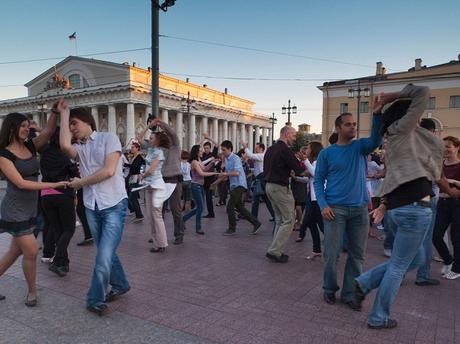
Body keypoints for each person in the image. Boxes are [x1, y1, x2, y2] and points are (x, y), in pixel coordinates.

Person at [351, 85, 445, 329]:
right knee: (399, 267)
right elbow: (422, 91)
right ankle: (378, 316)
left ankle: (364, 282)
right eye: (417, 115)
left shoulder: (393, 140)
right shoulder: (402, 129)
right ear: (407, 115)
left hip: (400, 208)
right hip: (415, 209)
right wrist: (393, 97)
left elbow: (394, 176)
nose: (420, 118)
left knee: (416, 260)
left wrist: (383, 205)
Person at [59, 101, 130, 316]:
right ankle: (121, 284)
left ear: (88, 121)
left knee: (104, 255)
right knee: (104, 253)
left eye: (74, 123)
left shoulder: (109, 138)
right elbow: (64, 145)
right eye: (69, 126)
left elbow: (109, 171)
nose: (72, 128)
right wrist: (64, 115)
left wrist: (81, 183)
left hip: (114, 205)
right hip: (92, 206)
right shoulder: (80, 149)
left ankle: (94, 299)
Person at [314, 105, 382, 307]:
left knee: (357, 256)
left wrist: (377, 115)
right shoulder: (327, 154)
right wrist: (323, 205)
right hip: (335, 210)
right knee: (331, 254)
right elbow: (318, 180)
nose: (353, 127)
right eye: (348, 124)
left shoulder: (360, 147)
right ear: (338, 128)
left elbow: (376, 140)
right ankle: (329, 288)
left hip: (360, 210)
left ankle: (350, 294)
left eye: (354, 124)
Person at [0, 109, 67, 306]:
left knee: (15, 252)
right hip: (15, 209)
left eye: (28, 125)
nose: (27, 129)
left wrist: (55, 112)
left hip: (30, 207)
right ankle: (32, 292)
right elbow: (21, 183)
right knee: (31, 250)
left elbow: (46, 132)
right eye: (23, 126)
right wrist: (53, 185)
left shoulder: (29, 145)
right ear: (11, 128)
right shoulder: (4, 155)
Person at [137, 117, 185, 245]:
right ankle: (158, 236)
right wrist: (148, 126)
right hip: (161, 181)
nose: (166, 136)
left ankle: (179, 235)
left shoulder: (174, 144)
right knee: (158, 210)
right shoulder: (155, 148)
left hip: (175, 180)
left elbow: (173, 133)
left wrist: (160, 123)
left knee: (176, 209)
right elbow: (139, 139)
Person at [39, 127, 79, 277]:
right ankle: (57, 261)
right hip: (62, 193)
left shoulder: (44, 151)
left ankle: (64, 263)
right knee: (69, 229)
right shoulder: (65, 155)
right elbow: (74, 174)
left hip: (45, 194)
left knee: (58, 230)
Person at [264, 126, 305, 262]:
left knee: (280, 220)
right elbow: (299, 169)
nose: (294, 139)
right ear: (287, 134)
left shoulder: (270, 149)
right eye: (293, 136)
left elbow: (269, 168)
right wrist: (303, 162)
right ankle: (275, 251)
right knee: (289, 220)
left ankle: (275, 249)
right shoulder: (285, 150)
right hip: (280, 187)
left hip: (269, 186)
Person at [217, 140, 261, 236]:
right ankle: (256, 223)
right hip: (234, 185)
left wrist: (225, 174)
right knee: (239, 207)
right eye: (222, 150)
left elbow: (237, 173)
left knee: (230, 207)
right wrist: (215, 183)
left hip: (239, 185)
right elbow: (226, 175)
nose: (222, 152)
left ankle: (232, 228)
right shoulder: (228, 159)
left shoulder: (235, 158)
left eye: (224, 150)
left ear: (229, 149)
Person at [141, 131, 175, 252]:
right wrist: (148, 126)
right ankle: (157, 243)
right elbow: (139, 137)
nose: (149, 140)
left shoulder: (159, 152)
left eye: (151, 138)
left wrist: (142, 176)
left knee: (157, 215)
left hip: (157, 186)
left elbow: (151, 170)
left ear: (157, 140)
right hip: (149, 186)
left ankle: (162, 243)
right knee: (150, 216)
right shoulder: (150, 150)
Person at [432, 136, 460, 280]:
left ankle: (457, 268)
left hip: (457, 204)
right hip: (442, 202)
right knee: (435, 235)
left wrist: (453, 181)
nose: (445, 149)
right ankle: (448, 260)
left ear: (457, 148)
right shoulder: (439, 164)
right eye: (443, 146)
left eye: (449, 146)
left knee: (456, 237)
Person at [296, 142, 325, 260]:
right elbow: (311, 180)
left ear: (313, 150)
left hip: (318, 199)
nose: (306, 150)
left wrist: (304, 161)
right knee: (312, 223)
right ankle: (317, 250)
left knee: (321, 225)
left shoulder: (318, 163)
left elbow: (315, 175)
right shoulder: (313, 163)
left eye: (308, 148)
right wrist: (296, 178)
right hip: (313, 199)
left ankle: (333, 247)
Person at [182, 145, 219, 234]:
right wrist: (214, 173)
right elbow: (202, 173)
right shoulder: (194, 162)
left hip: (200, 186)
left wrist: (212, 162)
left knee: (200, 207)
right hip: (195, 186)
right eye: (200, 150)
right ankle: (198, 227)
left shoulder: (199, 160)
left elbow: (205, 168)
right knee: (200, 207)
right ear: (196, 152)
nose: (202, 151)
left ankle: (183, 219)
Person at [241, 142, 275, 221]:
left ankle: (253, 218)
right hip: (260, 178)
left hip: (260, 179)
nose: (255, 149)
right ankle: (274, 215)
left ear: (261, 149)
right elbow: (255, 167)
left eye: (257, 148)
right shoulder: (260, 156)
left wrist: (245, 147)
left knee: (255, 199)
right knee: (266, 199)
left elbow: (250, 155)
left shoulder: (262, 155)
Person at [126, 142, 145, 222]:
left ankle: (139, 214)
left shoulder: (139, 157)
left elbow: (135, 167)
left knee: (132, 196)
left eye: (133, 147)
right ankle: (138, 214)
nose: (131, 149)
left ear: (137, 148)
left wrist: (126, 165)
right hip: (132, 177)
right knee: (132, 196)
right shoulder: (133, 157)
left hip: (135, 178)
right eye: (131, 147)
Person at [201, 137, 218, 218]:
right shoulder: (203, 155)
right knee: (203, 197)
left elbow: (217, 144)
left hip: (210, 178)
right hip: (203, 177)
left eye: (207, 148)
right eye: (204, 148)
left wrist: (208, 138)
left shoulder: (213, 155)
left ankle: (211, 213)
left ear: (210, 148)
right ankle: (208, 212)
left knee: (208, 197)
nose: (206, 149)